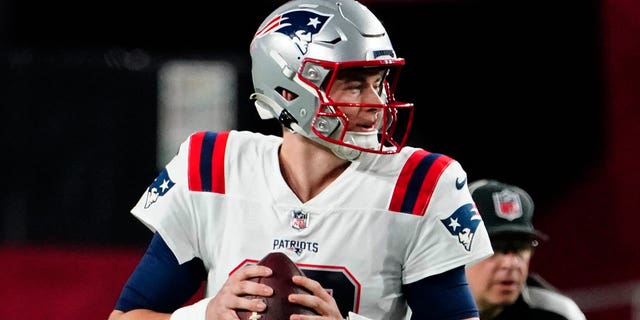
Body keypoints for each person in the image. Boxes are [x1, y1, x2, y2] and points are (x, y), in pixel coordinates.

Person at [107, 1, 494, 319]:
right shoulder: (212, 166)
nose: (375, 103)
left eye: (379, 83)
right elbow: (125, 318)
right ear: (289, 91)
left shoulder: (421, 184)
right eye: (354, 84)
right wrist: (206, 315)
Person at [466, 179, 586, 320]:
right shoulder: (434, 307)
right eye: (494, 247)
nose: (511, 264)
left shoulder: (557, 314)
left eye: (521, 248)